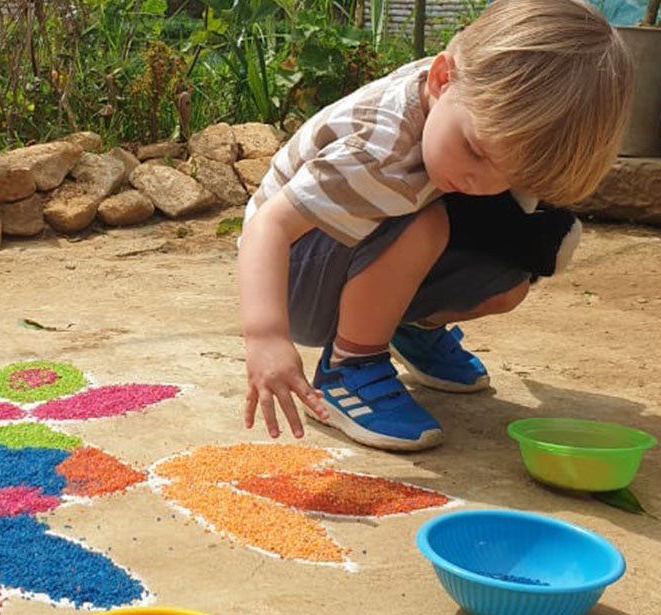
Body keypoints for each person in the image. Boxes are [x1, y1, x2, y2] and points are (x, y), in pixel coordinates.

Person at [237, 0, 632, 451]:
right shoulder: (378, 145)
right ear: (442, 78)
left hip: (358, 241)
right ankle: (349, 367)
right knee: (425, 224)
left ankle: (403, 327)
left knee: (508, 281)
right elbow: (267, 228)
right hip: (294, 273)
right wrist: (266, 336)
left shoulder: (472, 96)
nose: (479, 183)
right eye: (477, 152)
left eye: (509, 174)